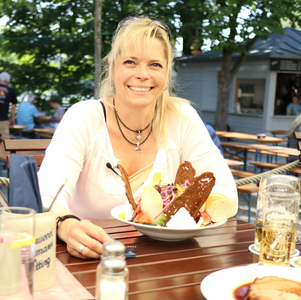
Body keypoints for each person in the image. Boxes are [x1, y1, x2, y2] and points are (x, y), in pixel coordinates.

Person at [38, 16, 238, 259]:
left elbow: (225, 194)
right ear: (112, 70)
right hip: (88, 259)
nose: (143, 74)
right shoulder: (84, 117)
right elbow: (46, 197)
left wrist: (189, 213)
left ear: (166, 75)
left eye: (155, 64)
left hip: (169, 260)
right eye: (130, 62)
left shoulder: (183, 118)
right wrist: (67, 227)